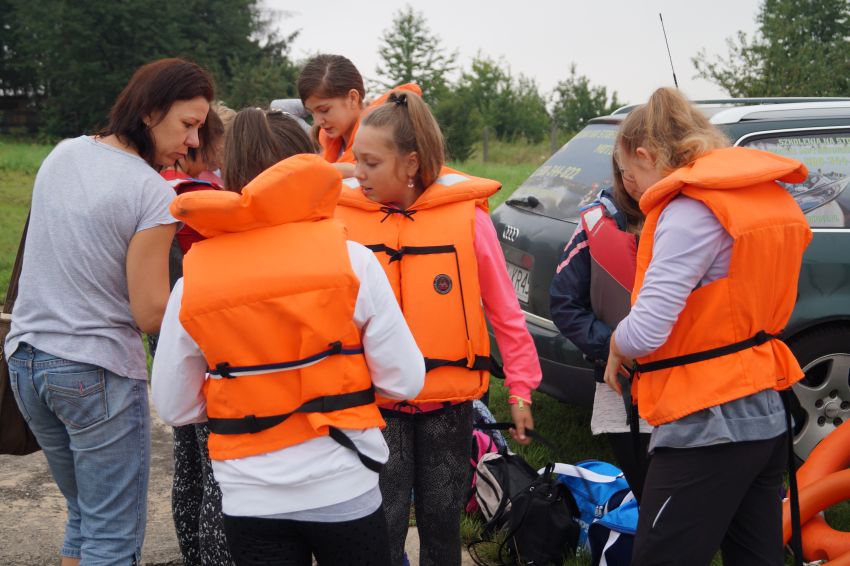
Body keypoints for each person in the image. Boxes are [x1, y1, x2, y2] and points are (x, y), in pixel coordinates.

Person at [151, 121, 421, 565]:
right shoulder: (355, 263)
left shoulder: (192, 282)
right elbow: (405, 381)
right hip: (344, 483)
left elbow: (174, 407)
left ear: (231, 177)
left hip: (250, 497)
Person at [5, 57, 216, 566]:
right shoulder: (152, 192)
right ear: (149, 111)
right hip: (94, 372)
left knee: (83, 519)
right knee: (113, 539)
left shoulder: (63, 154)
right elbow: (150, 312)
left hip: (27, 363)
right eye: (187, 124)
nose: (192, 141)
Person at [603, 87, 812, 565]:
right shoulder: (762, 197)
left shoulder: (690, 211)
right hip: (766, 413)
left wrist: (616, 343)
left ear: (646, 155)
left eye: (632, 174)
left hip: (708, 425)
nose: (634, 189)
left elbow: (648, 329)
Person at [335, 90, 542, 566]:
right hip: (377, 407)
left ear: (411, 163)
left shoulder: (468, 221)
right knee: (382, 531)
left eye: (370, 163)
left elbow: (506, 313)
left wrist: (521, 390)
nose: (357, 173)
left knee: (442, 529)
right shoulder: (341, 223)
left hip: (447, 409)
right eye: (355, 161)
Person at [549, 155, 652, 503]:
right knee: (646, 490)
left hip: (681, 385)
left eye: (638, 168)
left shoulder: (686, 220)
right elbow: (564, 303)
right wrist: (613, 346)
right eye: (624, 170)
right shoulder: (596, 223)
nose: (631, 178)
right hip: (619, 387)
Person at [297, 53, 420, 178]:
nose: (318, 121)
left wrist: (349, 171)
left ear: (352, 98)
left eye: (324, 110)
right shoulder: (318, 146)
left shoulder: (391, 137)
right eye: (311, 112)